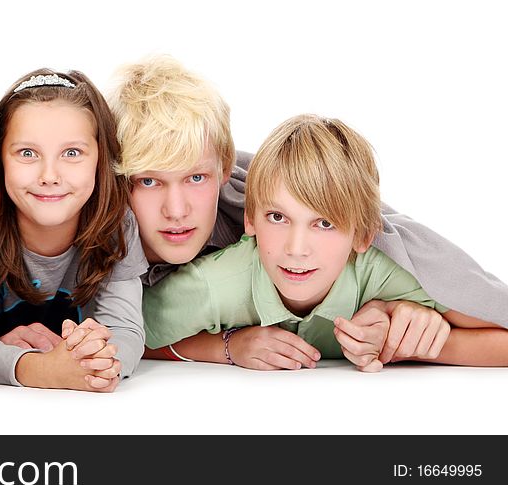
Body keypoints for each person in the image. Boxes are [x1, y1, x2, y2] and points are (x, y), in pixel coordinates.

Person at [108, 55, 508, 370]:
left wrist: (407, 329)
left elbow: (350, 210)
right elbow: (126, 335)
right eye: (148, 181)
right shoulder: (203, 276)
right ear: (116, 181)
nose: (176, 210)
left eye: (196, 178)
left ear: (223, 172)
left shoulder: (354, 244)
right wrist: (225, 347)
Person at [0, 69, 147, 392]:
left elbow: (126, 329)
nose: (49, 175)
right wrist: (38, 369)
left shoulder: (116, 222)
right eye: (27, 153)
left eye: (72, 153)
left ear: (99, 158)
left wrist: (102, 363)